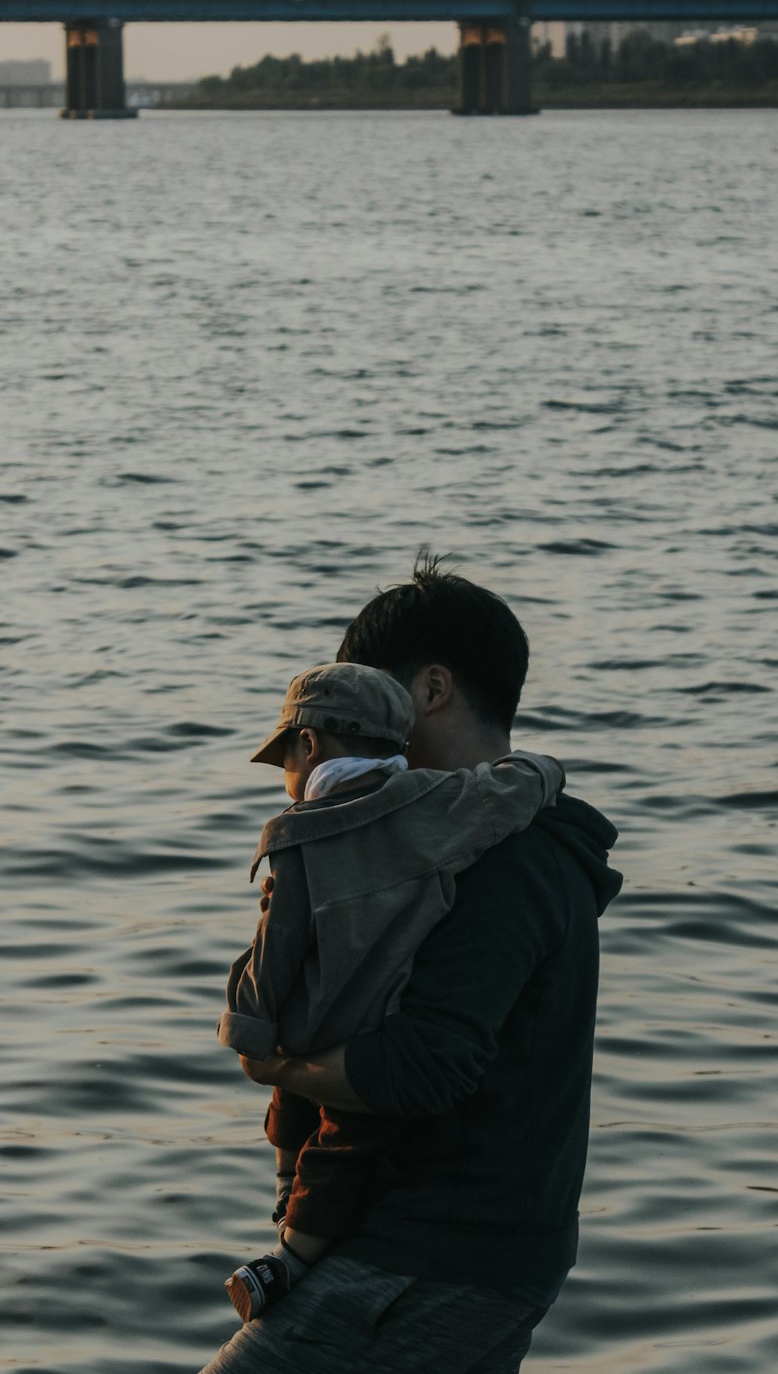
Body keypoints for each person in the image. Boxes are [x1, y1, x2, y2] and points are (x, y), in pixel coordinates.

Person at [198, 553, 623, 1374]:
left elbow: (425, 1066)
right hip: (452, 1248)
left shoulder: (510, 859)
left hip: (440, 1255)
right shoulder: (433, 849)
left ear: (431, 691)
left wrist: (276, 1061)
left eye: (380, 700)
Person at [217, 660, 564, 1320]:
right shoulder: (441, 805)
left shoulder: (297, 834)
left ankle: (286, 1248)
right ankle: (296, 1244)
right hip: (385, 1011)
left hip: (313, 1024)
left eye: (285, 755)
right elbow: (521, 785)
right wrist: (549, 771)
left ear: (310, 745)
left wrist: (251, 1034)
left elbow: (275, 951)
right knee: (348, 1139)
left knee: (298, 1107)